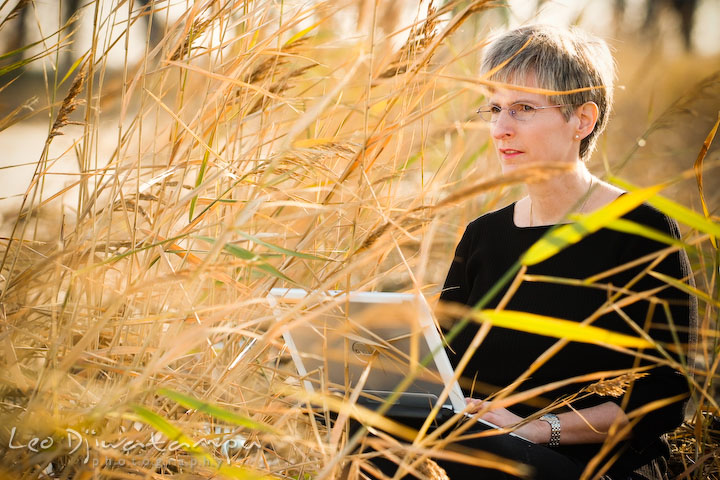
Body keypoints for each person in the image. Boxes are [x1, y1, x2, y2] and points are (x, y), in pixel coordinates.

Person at [437, 24, 697, 479]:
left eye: (522, 108)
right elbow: (445, 368)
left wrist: (535, 429)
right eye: (494, 108)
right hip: (483, 447)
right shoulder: (483, 237)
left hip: (595, 465)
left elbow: (661, 401)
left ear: (583, 119)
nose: (500, 128)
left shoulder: (640, 231)